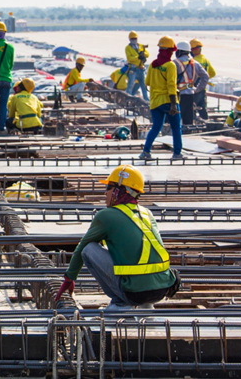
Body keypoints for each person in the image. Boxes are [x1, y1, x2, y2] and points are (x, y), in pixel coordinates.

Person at [54, 165, 179, 311]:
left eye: (109, 188)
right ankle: (146, 307)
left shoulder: (106, 216)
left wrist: (70, 278)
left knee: (89, 249)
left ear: (119, 190)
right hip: (162, 290)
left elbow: (82, 247)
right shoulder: (147, 213)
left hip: (132, 293)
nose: (105, 193)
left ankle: (120, 304)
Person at [139, 36, 182, 160]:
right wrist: (173, 104)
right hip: (168, 101)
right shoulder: (170, 65)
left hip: (155, 102)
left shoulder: (153, 64)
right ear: (169, 51)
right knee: (176, 128)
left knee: (156, 127)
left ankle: (145, 152)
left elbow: (147, 82)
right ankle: (177, 153)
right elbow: (171, 85)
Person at [174, 41, 209, 125]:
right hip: (190, 95)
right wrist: (198, 89)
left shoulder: (175, 63)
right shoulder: (195, 63)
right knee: (188, 120)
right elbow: (206, 76)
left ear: (179, 51)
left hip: (177, 95)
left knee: (174, 120)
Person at [190, 39, 216, 120]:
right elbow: (212, 73)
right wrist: (204, 80)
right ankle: (206, 123)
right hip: (203, 89)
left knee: (192, 108)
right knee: (202, 108)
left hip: (194, 88)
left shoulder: (193, 61)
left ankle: (192, 124)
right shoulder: (205, 60)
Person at [125, 31, 150, 100]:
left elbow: (147, 54)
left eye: (135, 38)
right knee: (130, 85)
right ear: (130, 39)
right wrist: (138, 57)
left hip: (141, 69)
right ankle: (127, 100)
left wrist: (143, 54)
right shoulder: (128, 48)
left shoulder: (141, 46)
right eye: (132, 39)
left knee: (143, 86)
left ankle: (146, 100)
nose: (134, 40)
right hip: (133, 69)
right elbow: (129, 58)